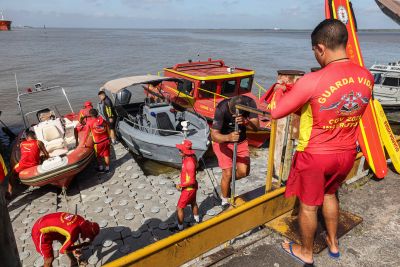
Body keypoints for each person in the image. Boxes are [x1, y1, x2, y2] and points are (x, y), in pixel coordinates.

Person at [271, 19, 373, 265]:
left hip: (317, 155)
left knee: (308, 206)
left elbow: (276, 112)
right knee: (330, 195)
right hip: (347, 152)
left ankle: (306, 252)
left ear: (320, 48)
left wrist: (279, 89)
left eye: (315, 52)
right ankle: (334, 244)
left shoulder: (312, 80)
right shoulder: (366, 76)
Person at [211, 95, 259, 208]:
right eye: (233, 114)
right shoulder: (221, 108)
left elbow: (256, 127)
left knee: (244, 172)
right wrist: (228, 137)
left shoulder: (250, 103)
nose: (235, 116)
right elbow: (214, 135)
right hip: (223, 142)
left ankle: (225, 184)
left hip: (241, 141)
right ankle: (224, 199)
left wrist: (245, 122)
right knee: (227, 173)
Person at [31, 212, 99, 267]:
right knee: (49, 259)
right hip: (40, 232)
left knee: (65, 240)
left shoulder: (81, 219)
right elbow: (63, 251)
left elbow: (69, 233)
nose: (87, 238)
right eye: (88, 236)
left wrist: (74, 247)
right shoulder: (73, 233)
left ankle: (74, 263)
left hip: (46, 222)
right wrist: (80, 245)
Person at [170, 139, 200, 232]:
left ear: (185, 151)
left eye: (180, 150)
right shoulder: (188, 158)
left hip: (188, 188)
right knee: (193, 202)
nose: (179, 151)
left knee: (179, 207)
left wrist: (181, 185)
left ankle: (180, 227)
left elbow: (191, 180)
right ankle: (197, 221)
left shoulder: (189, 162)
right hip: (192, 187)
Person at [11, 130, 49, 197]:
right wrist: (43, 157)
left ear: (27, 138)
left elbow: (25, 152)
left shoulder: (22, 144)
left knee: (12, 174)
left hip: (22, 165)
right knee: (43, 157)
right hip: (34, 165)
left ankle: (10, 191)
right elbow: (46, 155)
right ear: (34, 136)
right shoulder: (38, 142)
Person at [84, 109, 111, 173]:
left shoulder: (89, 123)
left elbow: (86, 134)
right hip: (106, 140)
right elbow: (108, 129)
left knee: (98, 156)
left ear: (90, 115)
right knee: (106, 155)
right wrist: (109, 138)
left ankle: (101, 168)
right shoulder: (103, 120)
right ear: (97, 113)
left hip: (98, 143)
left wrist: (84, 143)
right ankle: (107, 168)